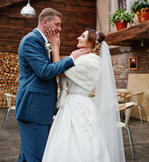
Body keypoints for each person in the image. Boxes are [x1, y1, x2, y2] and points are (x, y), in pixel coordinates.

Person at [15, 8, 88, 162]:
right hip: (33, 109)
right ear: (45, 22)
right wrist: (71, 58)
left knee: (28, 155)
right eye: (57, 24)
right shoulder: (31, 40)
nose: (59, 28)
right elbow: (45, 72)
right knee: (37, 156)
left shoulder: (43, 41)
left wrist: (55, 46)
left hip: (41, 109)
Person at [42, 28, 125, 162]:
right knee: (65, 142)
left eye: (82, 36)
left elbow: (59, 70)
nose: (78, 38)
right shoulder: (82, 58)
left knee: (82, 142)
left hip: (79, 105)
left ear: (90, 43)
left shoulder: (92, 60)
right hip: (71, 103)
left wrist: (55, 46)